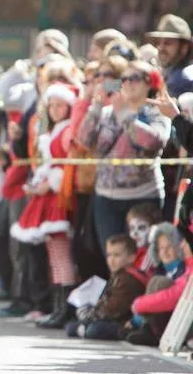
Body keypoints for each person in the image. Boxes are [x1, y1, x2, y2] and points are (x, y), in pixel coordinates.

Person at [77, 60, 171, 255]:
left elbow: (153, 142)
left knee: (142, 257)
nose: (128, 83)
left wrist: (125, 115)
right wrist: (96, 106)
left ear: (149, 83)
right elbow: (84, 140)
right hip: (105, 199)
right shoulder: (106, 112)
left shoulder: (157, 112)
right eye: (124, 79)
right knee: (114, 258)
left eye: (134, 78)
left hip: (142, 197)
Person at [10, 82, 77, 329]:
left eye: (61, 105)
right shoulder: (55, 130)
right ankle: (59, 308)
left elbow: (66, 164)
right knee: (54, 256)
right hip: (47, 193)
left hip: (57, 196)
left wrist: (48, 184)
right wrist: (38, 182)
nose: (56, 109)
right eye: (52, 105)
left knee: (61, 254)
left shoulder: (68, 129)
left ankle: (64, 310)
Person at [65, 234, 147, 341]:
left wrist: (92, 317)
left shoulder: (129, 279)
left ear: (131, 258)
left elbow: (114, 309)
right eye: (109, 255)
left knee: (94, 329)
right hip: (110, 318)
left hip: (124, 321)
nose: (111, 260)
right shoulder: (118, 275)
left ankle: (122, 333)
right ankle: (84, 328)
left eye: (117, 255)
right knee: (70, 326)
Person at [126, 222, 191, 346]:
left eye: (169, 246)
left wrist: (140, 305)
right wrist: (136, 320)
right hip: (163, 316)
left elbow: (176, 295)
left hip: (178, 320)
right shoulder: (160, 270)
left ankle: (152, 332)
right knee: (156, 280)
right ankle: (147, 328)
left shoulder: (184, 268)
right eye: (161, 248)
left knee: (160, 282)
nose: (165, 252)